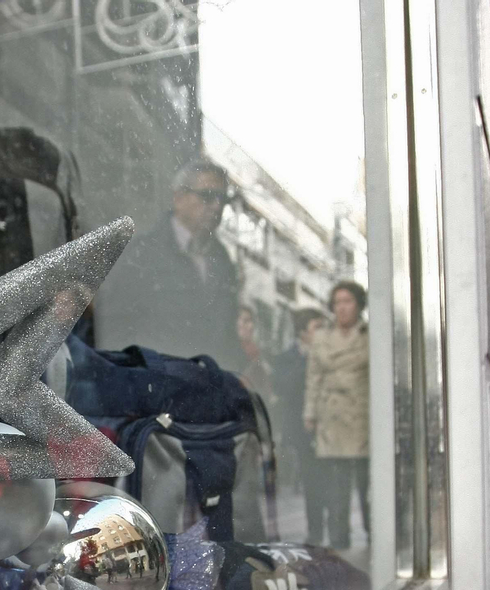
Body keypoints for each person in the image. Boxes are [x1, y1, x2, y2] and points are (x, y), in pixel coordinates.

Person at [101, 159, 242, 370]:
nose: (217, 206)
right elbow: (115, 323)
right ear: (179, 198)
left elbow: (227, 332)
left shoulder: (223, 261)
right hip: (151, 377)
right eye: (207, 196)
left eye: (222, 199)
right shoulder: (142, 253)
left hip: (204, 379)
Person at [304, 281, 370, 550]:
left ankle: (376, 534)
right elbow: (313, 378)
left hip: (363, 416)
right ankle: (339, 540)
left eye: (347, 301)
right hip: (331, 416)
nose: (341, 308)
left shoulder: (370, 335)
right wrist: (310, 413)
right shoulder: (321, 338)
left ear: (359, 304)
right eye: (337, 302)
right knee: (336, 484)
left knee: (368, 482)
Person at [273, 307, 329, 541]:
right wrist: (307, 359)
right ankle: (316, 532)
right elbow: (282, 388)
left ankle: (337, 531)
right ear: (303, 332)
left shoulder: (331, 353)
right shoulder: (286, 358)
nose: (324, 332)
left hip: (332, 426)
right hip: (303, 429)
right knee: (311, 481)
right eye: (318, 328)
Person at [235, 304, 274, 397]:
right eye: (245, 321)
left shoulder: (257, 351)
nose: (251, 326)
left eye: (252, 321)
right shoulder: (231, 350)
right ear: (235, 323)